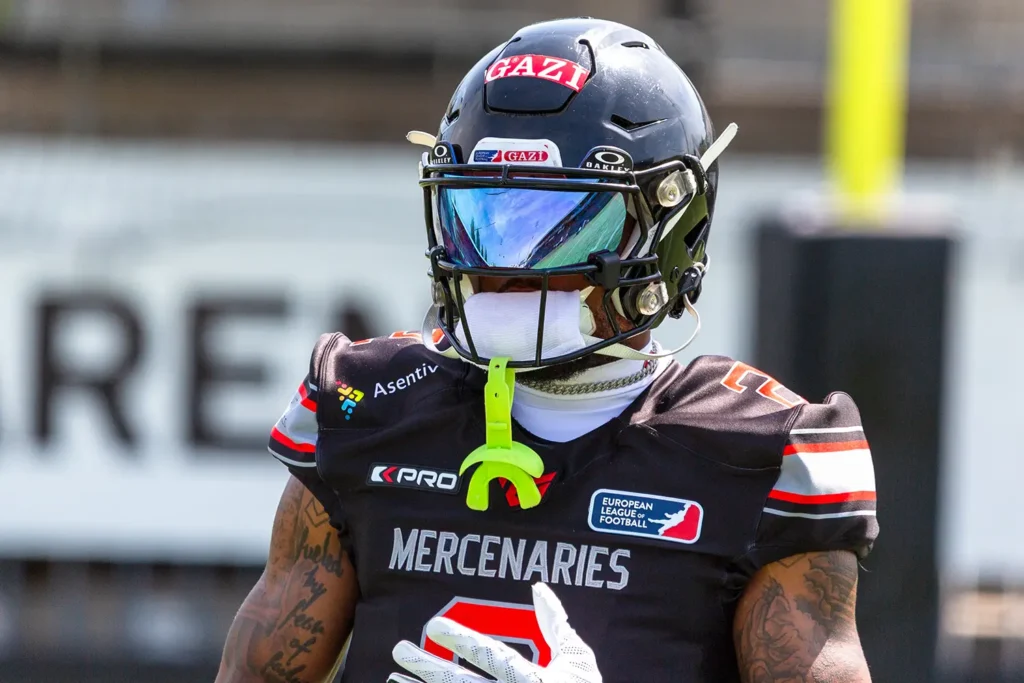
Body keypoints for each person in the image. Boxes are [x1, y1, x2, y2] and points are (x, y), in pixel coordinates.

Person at [215, 16, 878, 683]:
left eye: (560, 227)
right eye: (480, 219)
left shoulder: (757, 451)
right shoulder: (365, 406)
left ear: (671, 228)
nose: (506, 268)